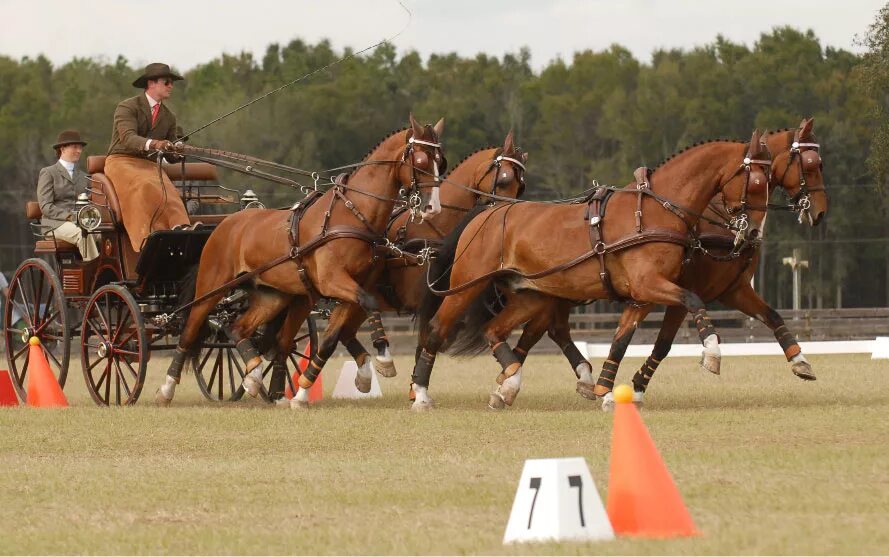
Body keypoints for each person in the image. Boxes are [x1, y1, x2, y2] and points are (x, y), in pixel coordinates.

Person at [105, 62, 196, 252]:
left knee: (167, 187)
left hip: (148, 165)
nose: (171, 86)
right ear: (151, 83)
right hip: (120, 161)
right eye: (167, 82)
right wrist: (155, 144)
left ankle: (182, 228)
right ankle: (144, 240)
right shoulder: (127, 107)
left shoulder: (169, 116)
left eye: (172, 83)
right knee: (144, 184)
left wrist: (178, 150)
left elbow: (171, 155)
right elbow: (128, 138)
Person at [35, 130, 100, 261]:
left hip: (81, 222)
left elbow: (89, 202)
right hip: (54, 224)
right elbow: (46, 206)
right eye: (75, 147)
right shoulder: (48, 173)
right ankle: (95, 274)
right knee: (82, 234)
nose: (79, 151)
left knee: (105, 234)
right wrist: (69, 216)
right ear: (62, 148)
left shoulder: (83, 176)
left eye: (80, 147)